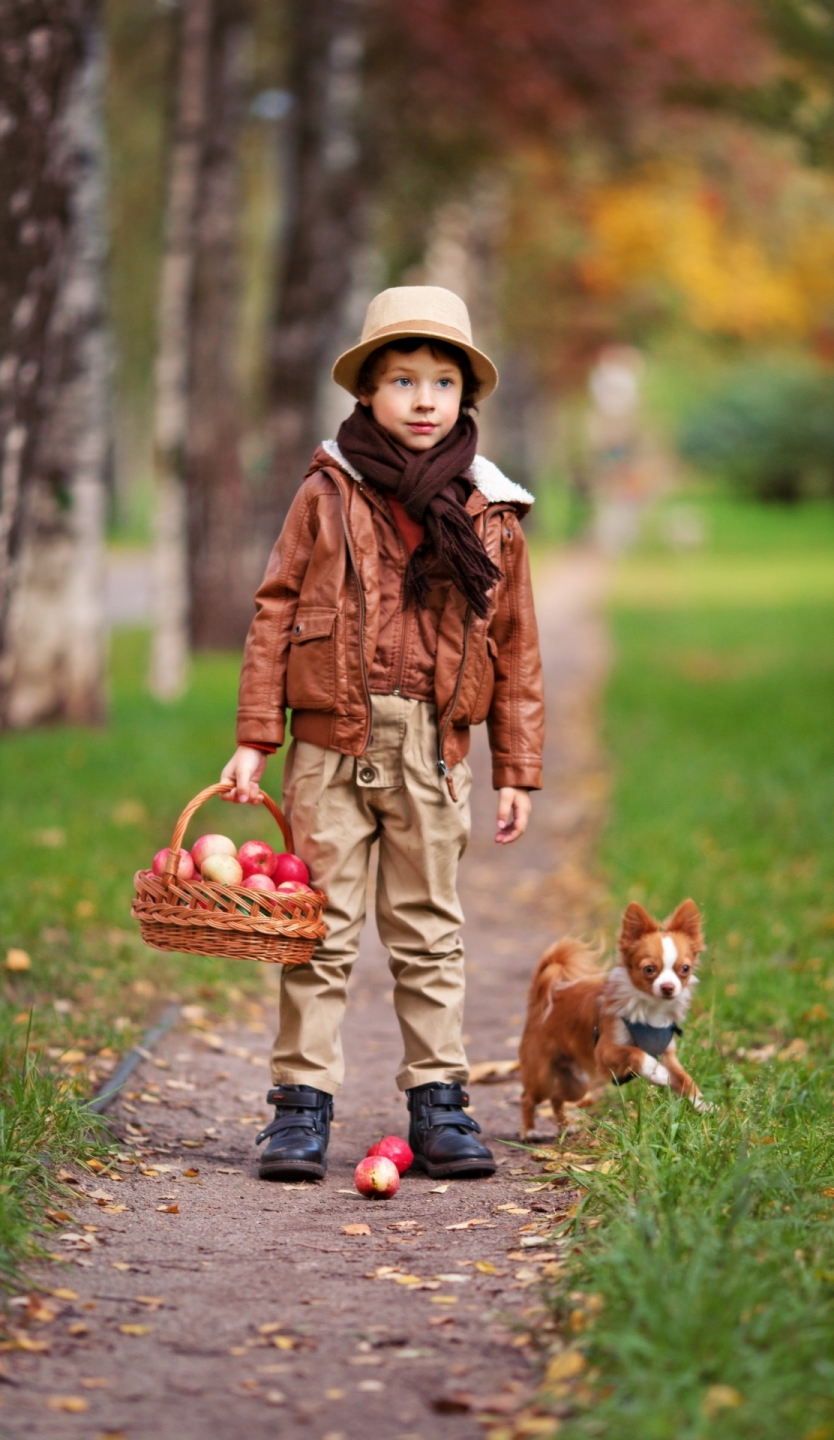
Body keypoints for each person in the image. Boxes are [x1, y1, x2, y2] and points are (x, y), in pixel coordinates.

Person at [219, 286, 545, 1181]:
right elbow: (273, 612)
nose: (425, 398)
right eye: (404, 379)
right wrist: (258, 735)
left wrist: (514, 765)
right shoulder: (327, 491)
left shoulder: (491, 512)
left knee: (429, 930)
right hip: (331, 745)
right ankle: (300, 1107)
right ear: (368, 391)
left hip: (436, 751)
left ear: (464, 398)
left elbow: (516, 645)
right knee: (316, 929)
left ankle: (439, 1104)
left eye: (443, 381)